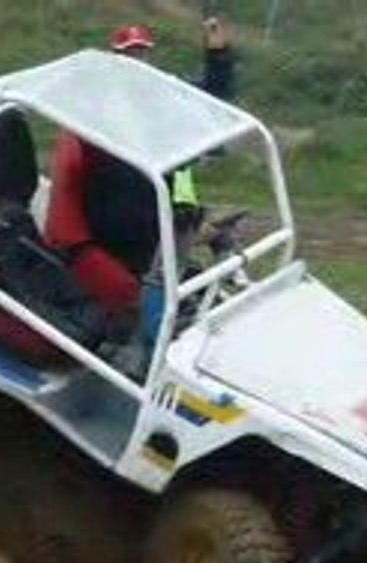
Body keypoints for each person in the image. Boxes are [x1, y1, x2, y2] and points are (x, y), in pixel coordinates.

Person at [44, 19, 237, 356]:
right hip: (115, 225)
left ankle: (190, 295)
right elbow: (119, 188)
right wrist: (179, 229)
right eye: (128, 55)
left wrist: (217, 56)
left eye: (141, 54)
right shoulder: (98, 116)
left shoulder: (158, 101)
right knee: (167, 226)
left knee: (187, 191)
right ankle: (143, 342)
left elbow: (203, 102)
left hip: (149, 210)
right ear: (115, 59)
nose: (136, 62)